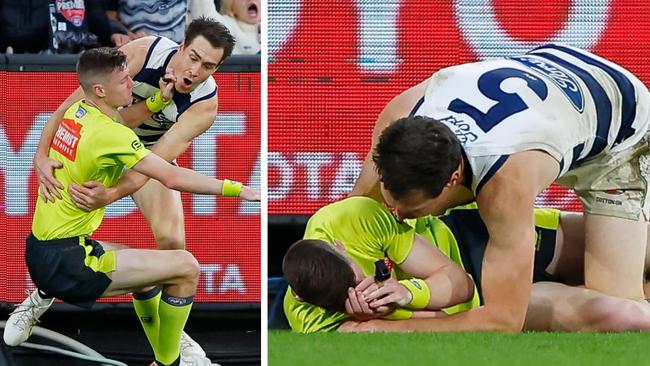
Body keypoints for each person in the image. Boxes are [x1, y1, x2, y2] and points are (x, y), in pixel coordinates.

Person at [350, 43, 650, 332]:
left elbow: (504, 320)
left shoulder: (506, 181)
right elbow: (348, 218)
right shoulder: (398, 119)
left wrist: (390, 328)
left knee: (621, 306)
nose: (398, 216)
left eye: (412, 210)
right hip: (550, 77)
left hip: (621, 119)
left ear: (452, 179)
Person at [6, 47, 258, 366]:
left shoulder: (79, 111)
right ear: (100, 89)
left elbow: (124, 117)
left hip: (43, 250)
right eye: (125, 80)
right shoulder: (110, 136)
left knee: (145, 273)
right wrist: (238, 189)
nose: (133, 84)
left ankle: (40, 298)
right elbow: (171, 176)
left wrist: (157, 101)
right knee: (185, 266)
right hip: (69, 264)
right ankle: (170, 361)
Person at [283, 197, 650, 333]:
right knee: (623, 317)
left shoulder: (350, 219)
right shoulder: (318, 324)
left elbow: (459, 282)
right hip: (489, 305)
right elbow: (446, 322)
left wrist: (407, 293)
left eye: (365, 278)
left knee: (635, 242)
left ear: (340, 246)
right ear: (302, 299)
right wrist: (377, 324)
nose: (366, 289)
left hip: (473, 240)